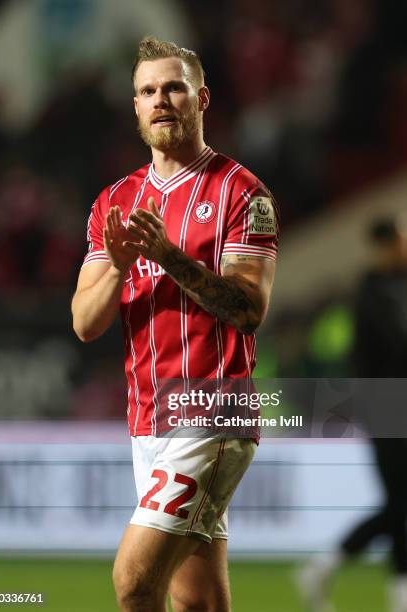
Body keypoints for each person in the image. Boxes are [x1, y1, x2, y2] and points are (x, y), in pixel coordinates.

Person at [72, 36, 278, 612]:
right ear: (134, 106)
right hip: (146, 418)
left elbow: (247, 308)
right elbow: (86, 323)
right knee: (198, 601)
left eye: (173, 88)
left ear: (201, 98)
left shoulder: (242, 191)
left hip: (213, 408)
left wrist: (166, 256)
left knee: (134, 582)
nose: (160, 99)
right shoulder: (115, 199)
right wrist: (117, 267)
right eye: (147, 91)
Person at [298, 215, 407, 612]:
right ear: (384, 245)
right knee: (401, 502)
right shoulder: (371, 293)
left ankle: (396, 593)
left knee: (400, 503)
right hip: (386, 403)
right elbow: (397, 345)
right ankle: (328, 565)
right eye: (400, 239)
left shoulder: (398, 286)